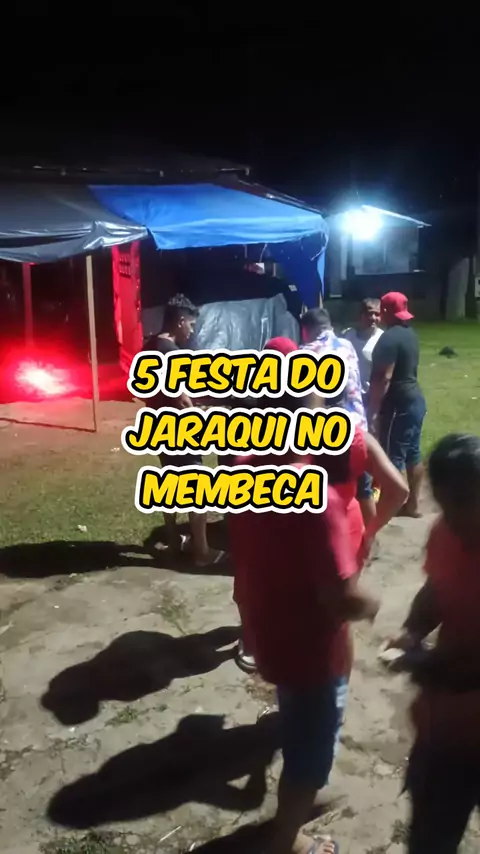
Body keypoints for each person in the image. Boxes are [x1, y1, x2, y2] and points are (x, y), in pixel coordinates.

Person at [230, 390, 380, 854]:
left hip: (270, 630)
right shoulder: (318, 500)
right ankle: (288, 839)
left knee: (297, 720)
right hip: (313, 652)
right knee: (309, 753)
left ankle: (299, 800)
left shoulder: (244, 472)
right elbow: (340, 598)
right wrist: (371, 605)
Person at [387, 434, 480, 854]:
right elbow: (436, 590)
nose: (452, 519)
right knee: (430, 839)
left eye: (464, 504)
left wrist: (427, 667)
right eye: (445, 505)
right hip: (446, 734)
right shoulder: (447, 532)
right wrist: (413, 630)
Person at [145, 293, 225, 567]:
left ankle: (172, 542)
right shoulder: (172, 354)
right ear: (180, 321)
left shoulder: (149, 347)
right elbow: (182, 400)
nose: (191, 331)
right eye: (191, 324)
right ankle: (201, 551)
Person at [369, 292, 426, 518]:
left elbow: (385, 377)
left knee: (392, 457)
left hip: (398, 404)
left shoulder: (389, 338)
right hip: (415, 401)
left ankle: (387, 507)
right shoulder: (410, 334)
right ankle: (412, 505)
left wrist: (374, 409)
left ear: (384, 311)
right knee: (413, 454)